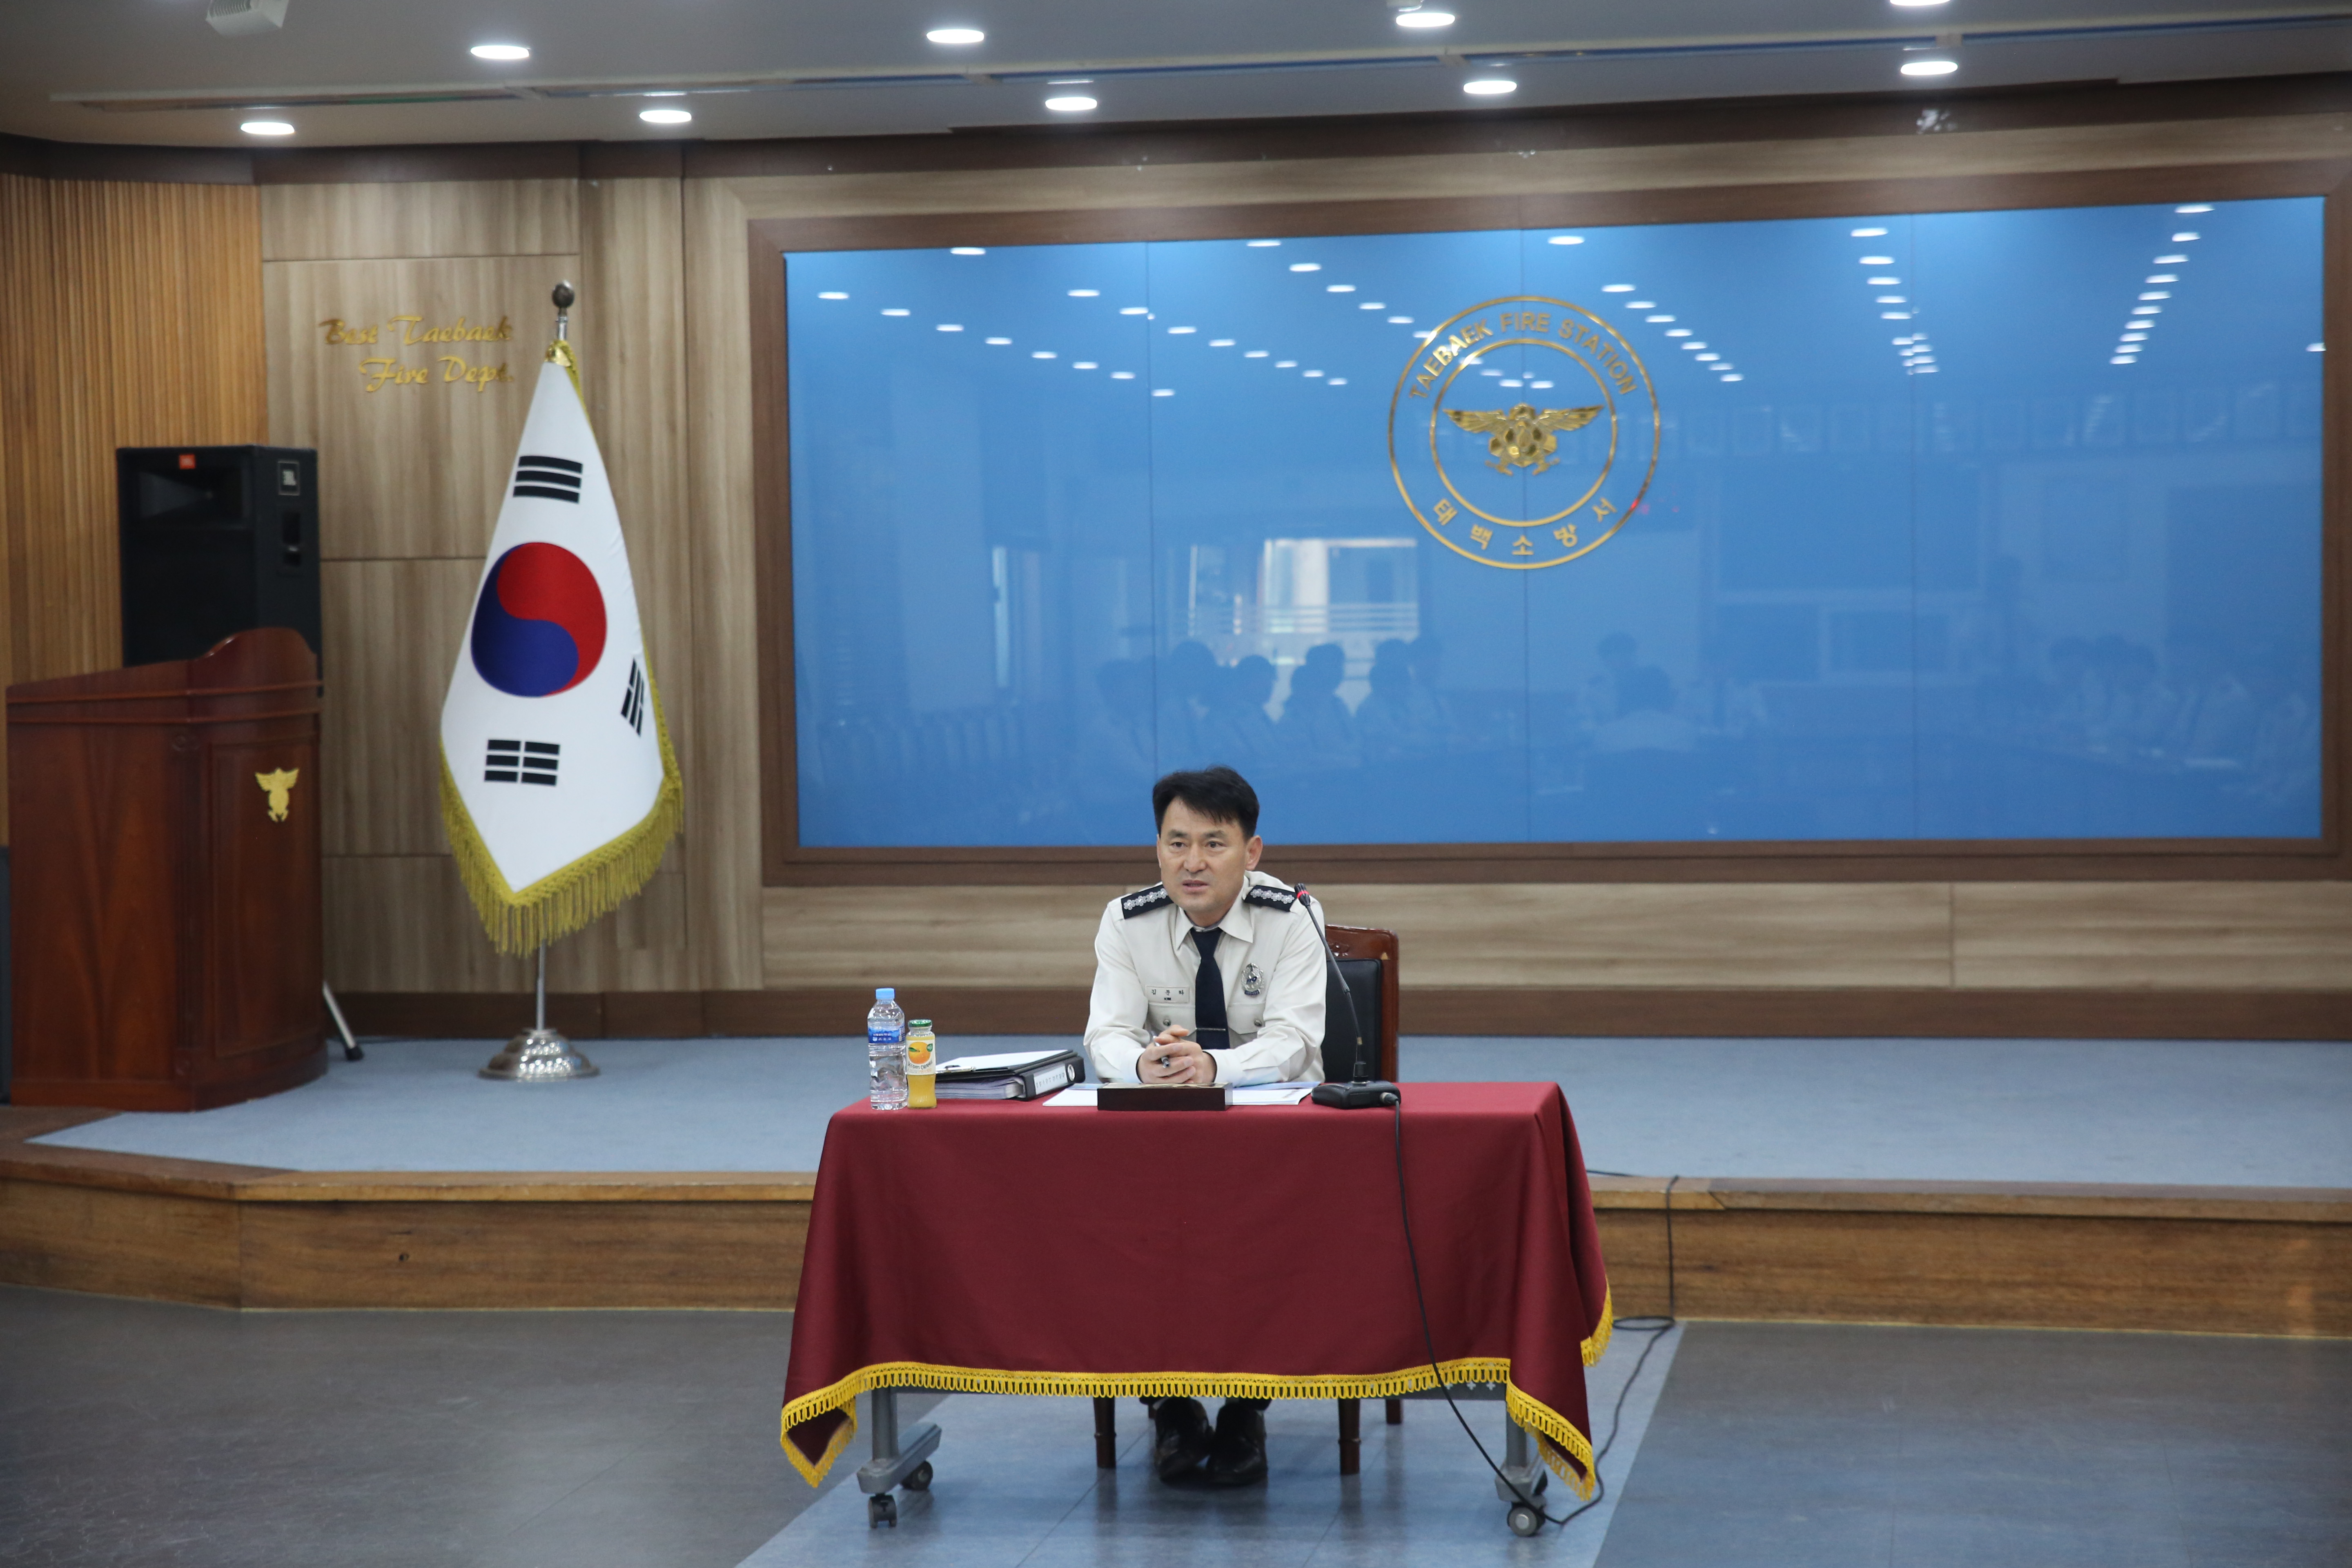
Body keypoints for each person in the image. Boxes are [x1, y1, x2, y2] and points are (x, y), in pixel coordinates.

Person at [1081, 765, 1329, 1488]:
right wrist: (1145, 1065)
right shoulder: (1126, 920)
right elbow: (1105, 1036)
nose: (1192, 862)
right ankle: (1171, 1404)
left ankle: (1248, 1408)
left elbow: (1295, 1042)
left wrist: (1213, 1067)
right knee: (1129, 1232)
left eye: (1213, 844)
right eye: (1176, 842)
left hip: (1273, 1136)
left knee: (1268, 1236)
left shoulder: (1294, 915)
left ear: (1251, 852)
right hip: (1164, 1133)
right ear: (1157, 848)